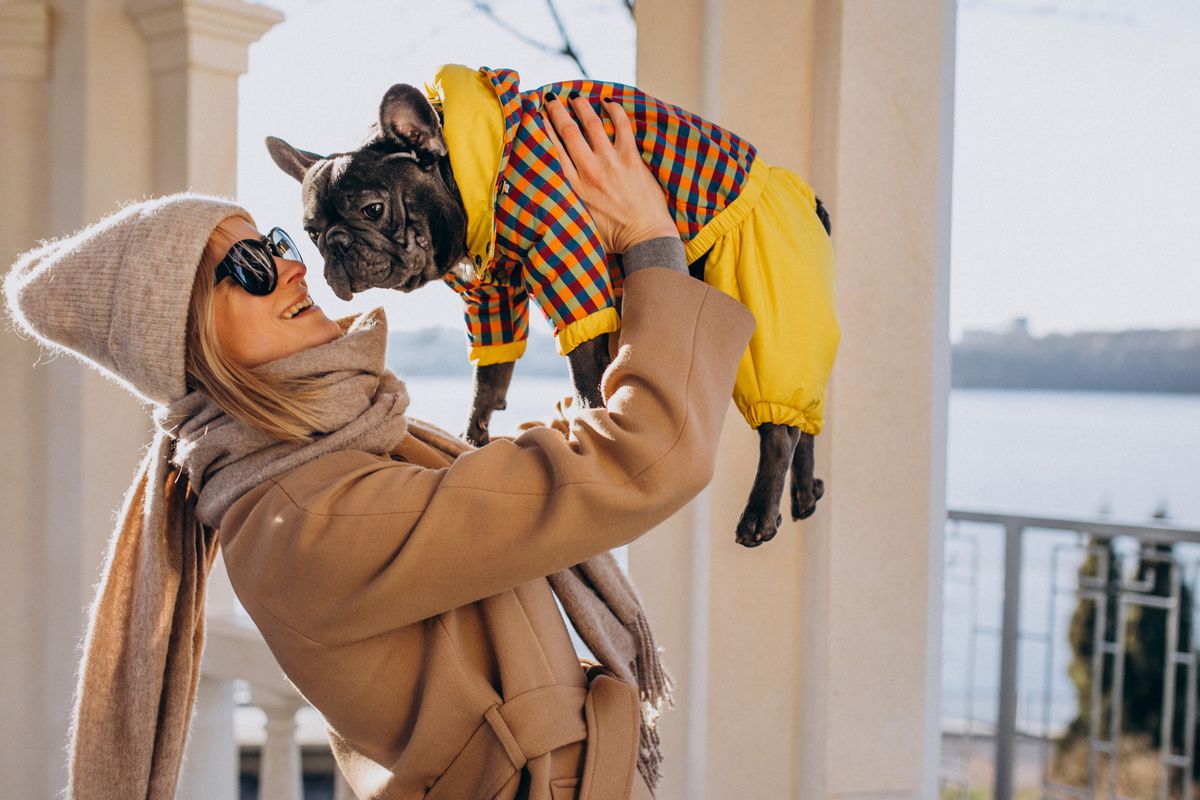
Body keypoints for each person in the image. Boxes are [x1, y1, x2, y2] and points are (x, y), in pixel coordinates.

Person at [4, 94, 754, 799]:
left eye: (273, 242)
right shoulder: (306, 516)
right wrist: (650, 241)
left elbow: (549, 472)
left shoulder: (335, 461)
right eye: (249, 268)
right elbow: (645, 457)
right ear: (187, 342)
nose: (293, 263)